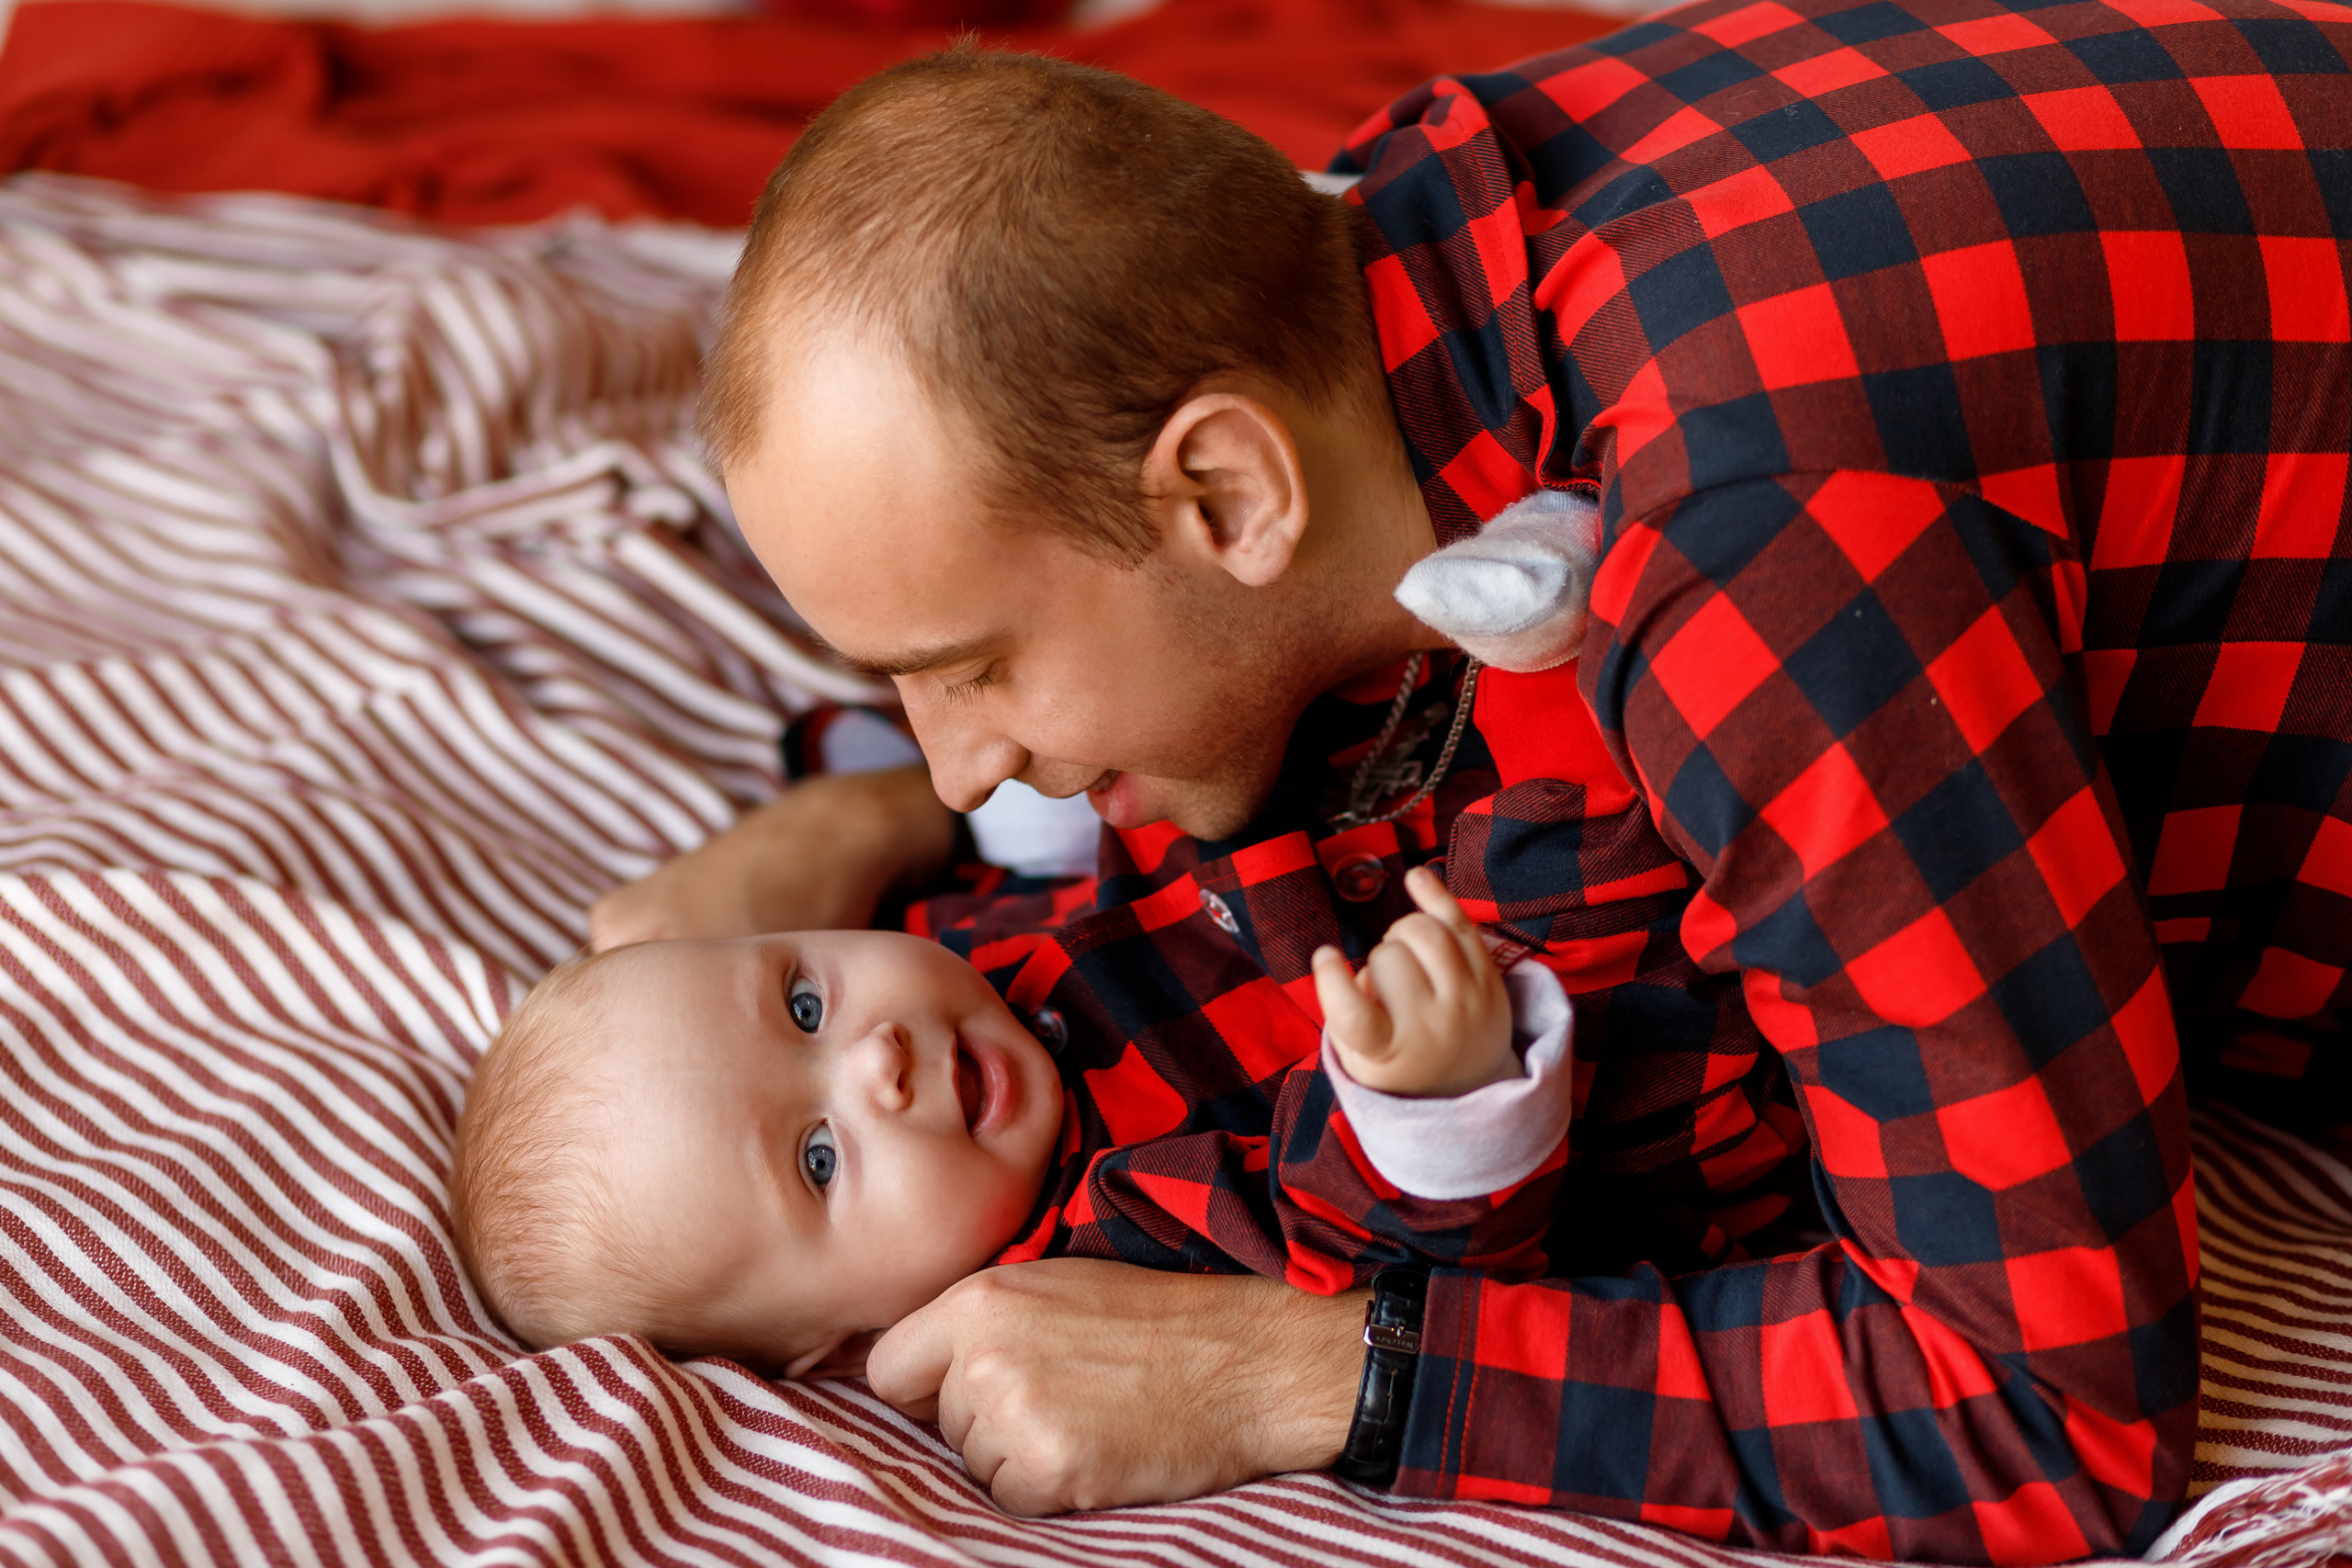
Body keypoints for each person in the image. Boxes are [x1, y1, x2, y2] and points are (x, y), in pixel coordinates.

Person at [592, 0, 2352, 1554]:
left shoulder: (1750, 571)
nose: (968, 762)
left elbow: (2050, 1420)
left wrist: (1319, 1374)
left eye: (976, 665)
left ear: (1223, 495)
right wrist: (859, 816)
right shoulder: (1390, 260)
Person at [452, 871, 1571, 1379]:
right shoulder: (1103, 1241)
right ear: (843, 1345)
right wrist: (1433, 1098)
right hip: (1605, 1056)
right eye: (821, 1158)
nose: (875, 1060)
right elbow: (1372, 1252)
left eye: (802, 1004)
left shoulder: (961, 952)